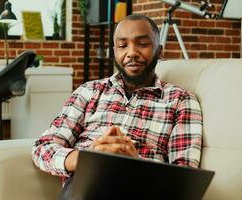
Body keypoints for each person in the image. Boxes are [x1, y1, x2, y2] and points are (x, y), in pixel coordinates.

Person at [31, 14, 202, 199]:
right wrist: (90, 159)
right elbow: (43, 147)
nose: (132, 53)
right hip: (83, 187)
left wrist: (136, 166)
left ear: (159, 51)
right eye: (122, 45)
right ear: (115, 51)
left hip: (142, 189)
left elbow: (184, 176)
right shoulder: (89, 91)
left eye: (143, 44)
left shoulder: (181, 100)